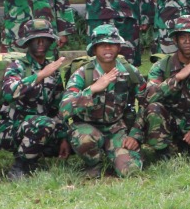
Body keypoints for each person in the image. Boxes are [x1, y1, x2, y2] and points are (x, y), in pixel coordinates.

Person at [61, 24, 144, 179]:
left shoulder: (130, 72)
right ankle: (93, 163)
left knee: (131, 171)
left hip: (117, 129)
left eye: (112, 44)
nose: (108, 49)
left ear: (119, 47)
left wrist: (135, 135)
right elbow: (64, 108)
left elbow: (146, 103)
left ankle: (115, 155)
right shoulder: (82, 74)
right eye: (102, 45)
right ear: (94, 49)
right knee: (85, 138)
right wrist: (92, 89)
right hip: (88, 127)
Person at [0, 18, 69, 180]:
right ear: (27, 43)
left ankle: (35, 155)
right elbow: (9, 92)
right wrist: (40, 76)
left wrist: (64, 137)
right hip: (13, 129)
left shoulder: (52, 69)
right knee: (43, 123)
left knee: (74, 136)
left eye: (45, 39)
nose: (41, 43)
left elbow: (59, 105)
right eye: (35, 39)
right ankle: (19, 166)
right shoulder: (17, 66)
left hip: (42, 127)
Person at [141, 16, 190, 159]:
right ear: (175, 40)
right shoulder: (161, 66)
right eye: (183, 36)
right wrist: (177, 78)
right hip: (167, 122)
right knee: (154, 108)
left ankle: (186, 148)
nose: (187, 40)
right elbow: (148, 97)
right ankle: (163, 152)